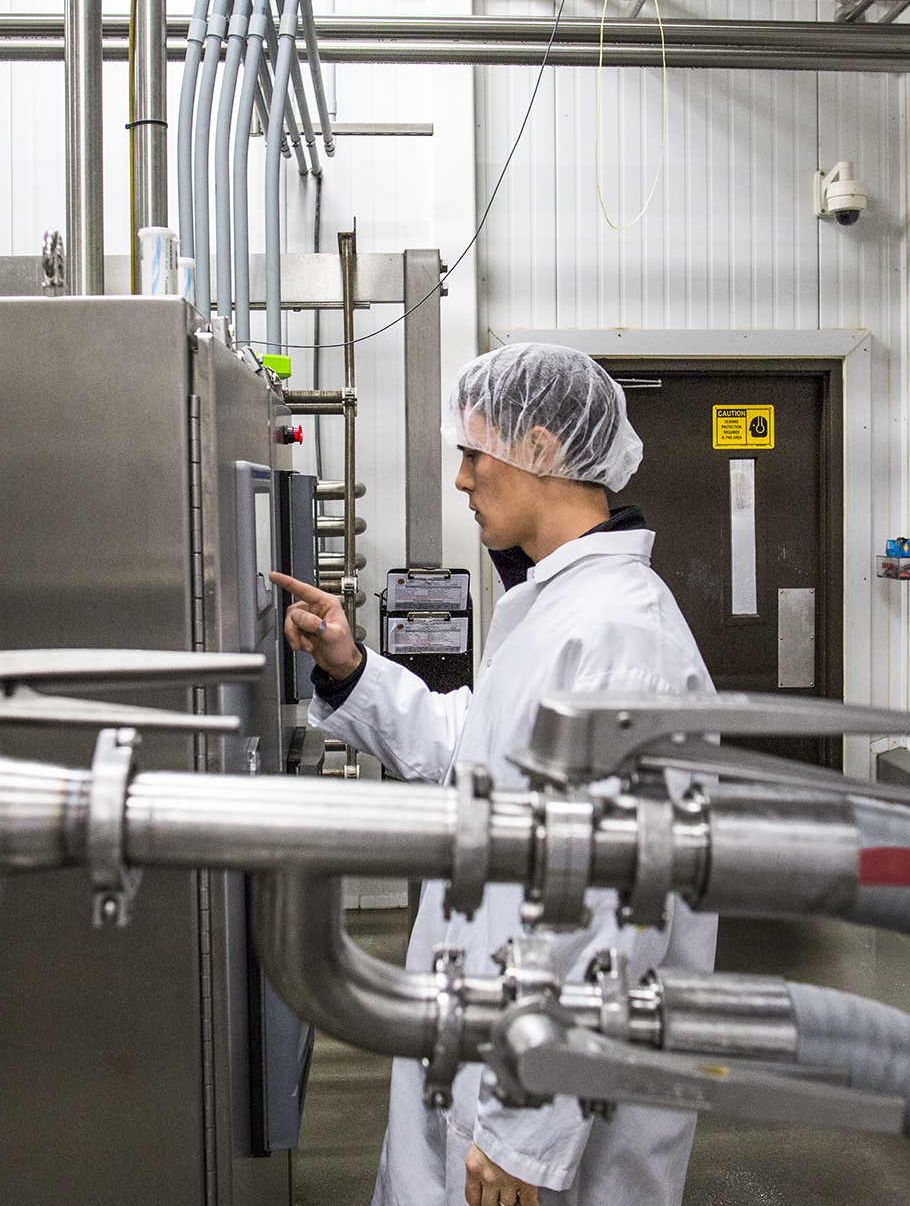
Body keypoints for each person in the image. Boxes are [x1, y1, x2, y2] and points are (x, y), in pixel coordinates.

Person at [269, 343, 717, 1206]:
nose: (464, 478)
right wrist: (351, 666)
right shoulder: (558, 613)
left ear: (541, 449)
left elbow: (609, 907)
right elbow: (477, 752)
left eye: (474, 454)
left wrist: (526, 1122)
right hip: (486, 1053)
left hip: (541, 1114)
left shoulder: (624, 641)